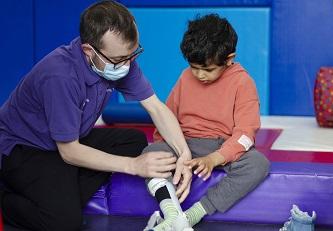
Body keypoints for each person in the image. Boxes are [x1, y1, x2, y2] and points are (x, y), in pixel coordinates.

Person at [0, 1, 192, 230]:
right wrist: (134, 166)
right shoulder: (60, 76)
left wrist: (184, 153)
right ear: (89, 51)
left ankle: (62, 191)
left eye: (133, 54)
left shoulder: (119, 60)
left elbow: (156, 107)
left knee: (134, 141)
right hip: (25, 150)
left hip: (68, 142)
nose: (128, 64)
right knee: (65, 223)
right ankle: (7, 199)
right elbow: (69, 151)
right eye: (120, 59)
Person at [143, 14, 270, 231]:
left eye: (208, 69)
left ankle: (192, 216)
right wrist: (168, 149)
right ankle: (172, 214)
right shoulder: (185, 77)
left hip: (221, 146)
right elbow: (167, 118)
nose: (200, 75)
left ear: (229, 59)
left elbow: (245, 134)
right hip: (184, 143)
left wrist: (213, 159)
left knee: (258, 164)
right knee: (150, 154)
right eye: (194, 67)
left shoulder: (242, 82)